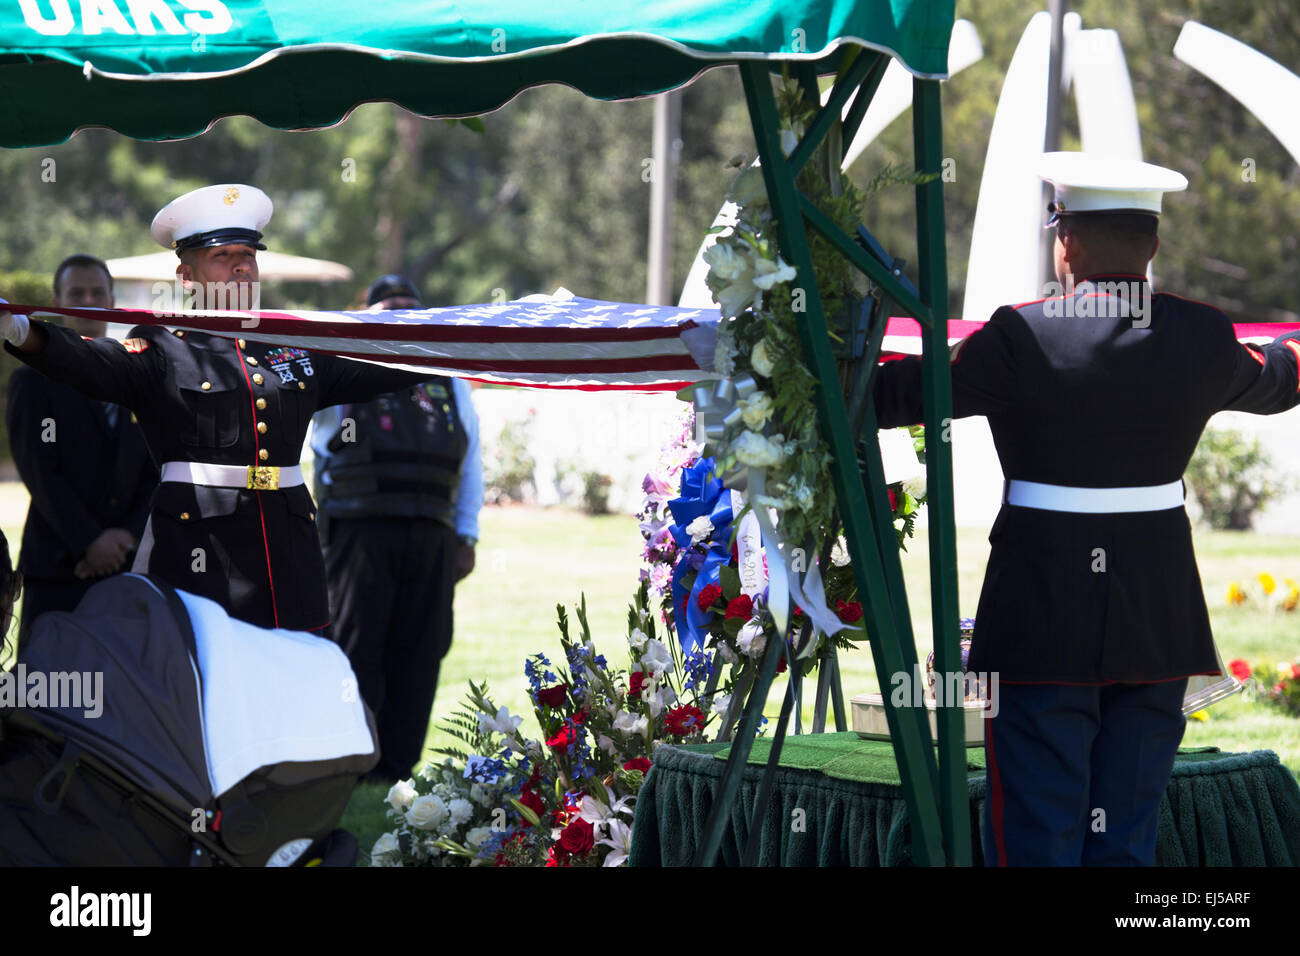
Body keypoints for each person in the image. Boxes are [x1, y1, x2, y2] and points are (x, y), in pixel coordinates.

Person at [872, 152, 1300, 866]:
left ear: (1063, 240)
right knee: (1125, 834)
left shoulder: (1023, 334)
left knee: (1039, 831)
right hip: (1158, 620)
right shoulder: (1201, 336)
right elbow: (1281, 380)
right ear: (1154, 243)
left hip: (1043, 613)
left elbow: (901, 396)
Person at [1, 185, 432, 633]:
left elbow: (386, 360)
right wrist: (18, 330)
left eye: (248, 253)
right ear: (186, 275)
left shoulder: (294, 344)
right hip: (199, 554)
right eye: (222, 255)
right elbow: (90, 359)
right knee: (200, 685)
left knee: (290, 681)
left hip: (288, 554)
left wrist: (481, 340)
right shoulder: (162, 343)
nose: (241, 264)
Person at [310, 274, 482, 782]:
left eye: (410, 307)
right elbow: (318, 449)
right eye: (388, 307)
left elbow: (470, 460)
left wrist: (466, 534)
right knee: (357, 644)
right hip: (360, 528)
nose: (400, 315)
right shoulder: (342, 367)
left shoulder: (448, 375)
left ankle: (398, 765)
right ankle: (351, 758)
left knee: (422, 647)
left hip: (432, 531)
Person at [7, 255, 159, 643]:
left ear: (112, 301)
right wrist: (90, 541)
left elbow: (157, 469)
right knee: (47, 693)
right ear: (57, 303)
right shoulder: (32, 381)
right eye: (77, 293)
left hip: (131, 571)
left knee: (124, 695)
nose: (88, 301)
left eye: (96, 293)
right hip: (59, 569)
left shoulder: (142, 377)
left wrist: (125, 537)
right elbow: (39, 473)